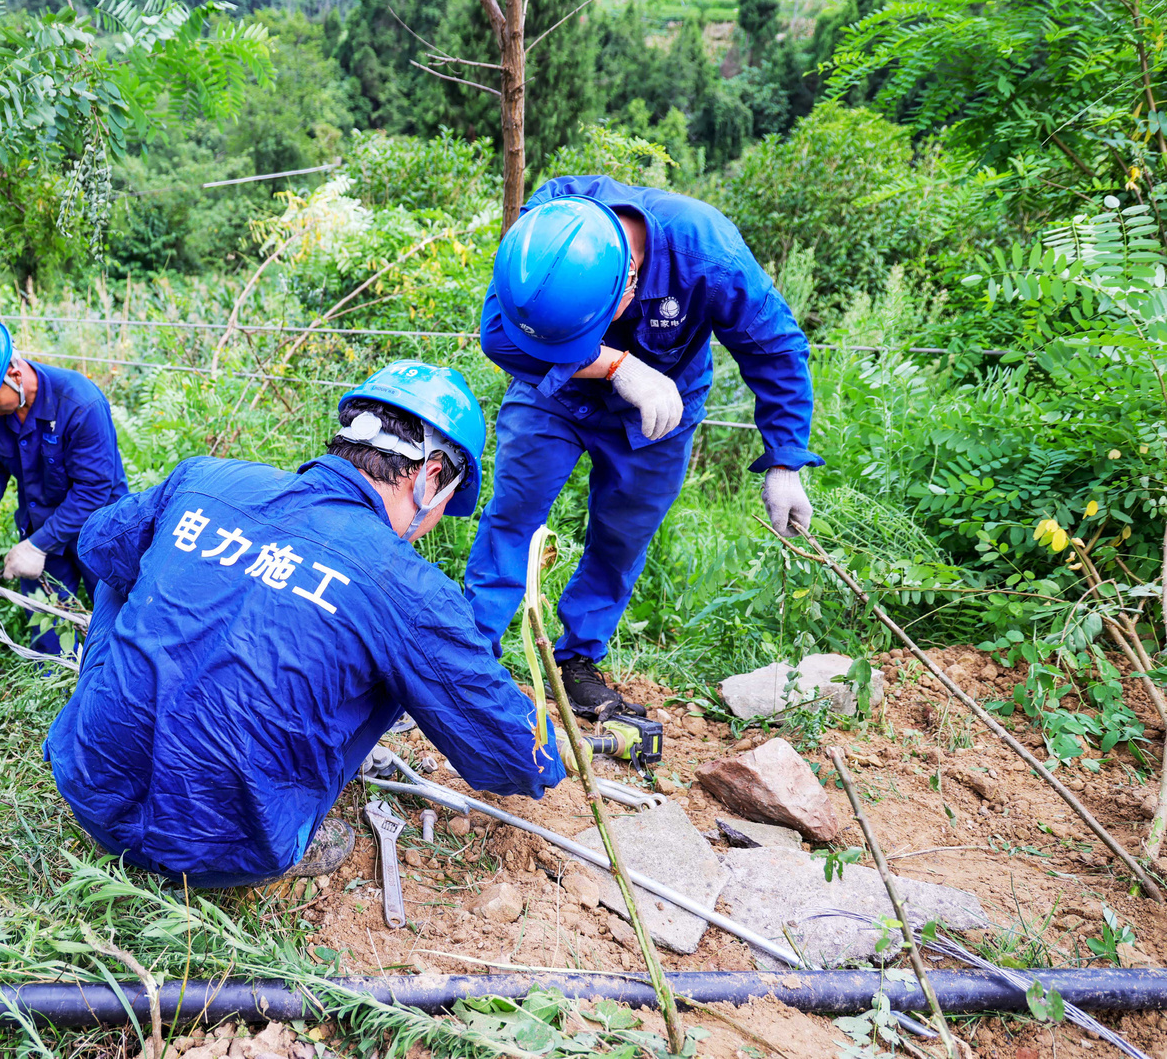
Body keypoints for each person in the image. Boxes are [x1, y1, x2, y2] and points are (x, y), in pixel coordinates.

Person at [45, 360, 566, 888]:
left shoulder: (204, 479)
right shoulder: (405, 584)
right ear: (432, 476)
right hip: (227, 852)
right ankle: (287, 819)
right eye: (444, 504)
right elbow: (516, 757)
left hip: (89, 791)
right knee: (400, 656)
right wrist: (553, 755)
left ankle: (118, 733)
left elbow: (92, 544)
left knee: (123, 554)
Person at [465, 177, 821, 723]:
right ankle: (467, 661)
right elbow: (498, 336)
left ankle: (578, 661)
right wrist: (614, 364)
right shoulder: (542, 238)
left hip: (660, 412)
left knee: (621, 539)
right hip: (554, 397)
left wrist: (785, 459)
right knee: (514, 516)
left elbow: (775, 348)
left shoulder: (709, 255)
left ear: (629, 288)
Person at [0, 319, 129, 655]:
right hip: (38, 524)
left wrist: (38, 546)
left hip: (98, 530)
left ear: (15, 375)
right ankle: (56, 681)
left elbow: (94, 489)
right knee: (47, 628)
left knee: (114, 623)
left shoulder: (80, 404)